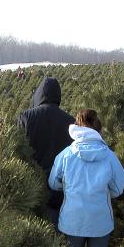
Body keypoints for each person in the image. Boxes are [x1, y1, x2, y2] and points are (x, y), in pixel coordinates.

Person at [48, 109, 124, 247]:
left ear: (77, 127)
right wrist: (100, 193)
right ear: (98, 127)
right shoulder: (109, 156)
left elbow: (54, 182)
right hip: (100, 222)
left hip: (72, 220)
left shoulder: (66, 154)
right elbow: (118, 188)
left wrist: (72, 189)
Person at [18, 77, 75, 226]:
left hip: (31, 189)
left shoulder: (27, 117)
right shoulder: (70, 121)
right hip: (59, 192)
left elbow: (18, 152)